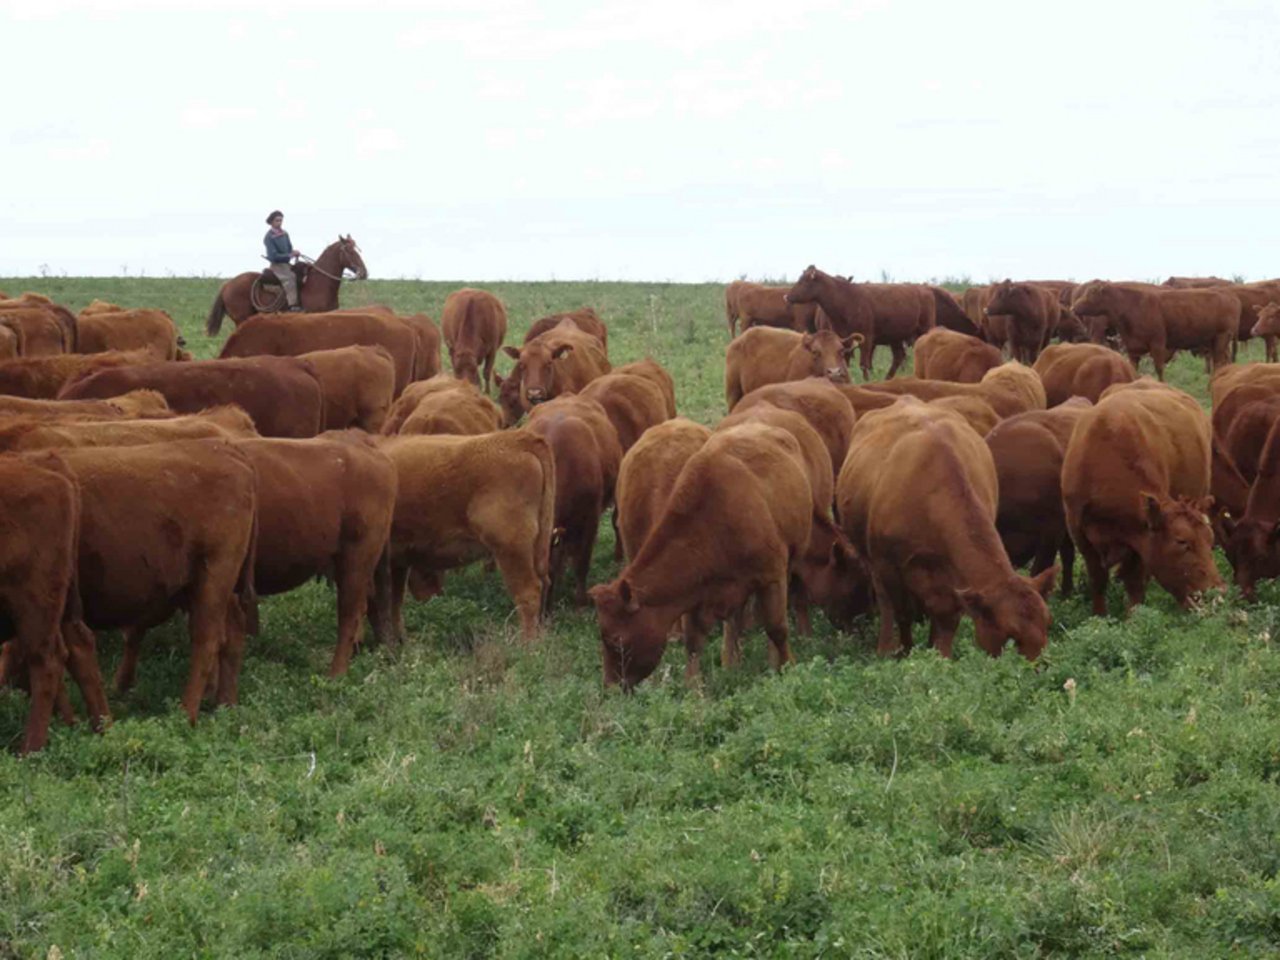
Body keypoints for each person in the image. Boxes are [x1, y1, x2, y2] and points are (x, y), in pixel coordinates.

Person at [263, 210, 302, 310]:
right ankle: (292, 305)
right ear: (271, 222)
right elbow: (273, 256)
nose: (279, 223)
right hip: (277, 266)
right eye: (277, 220)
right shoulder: (268, 237)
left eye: (281, 220)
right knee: (290, 278)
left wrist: (294, 252)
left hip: (286, 264)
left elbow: (289, 249)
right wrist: (289, 255)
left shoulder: (285, 234)